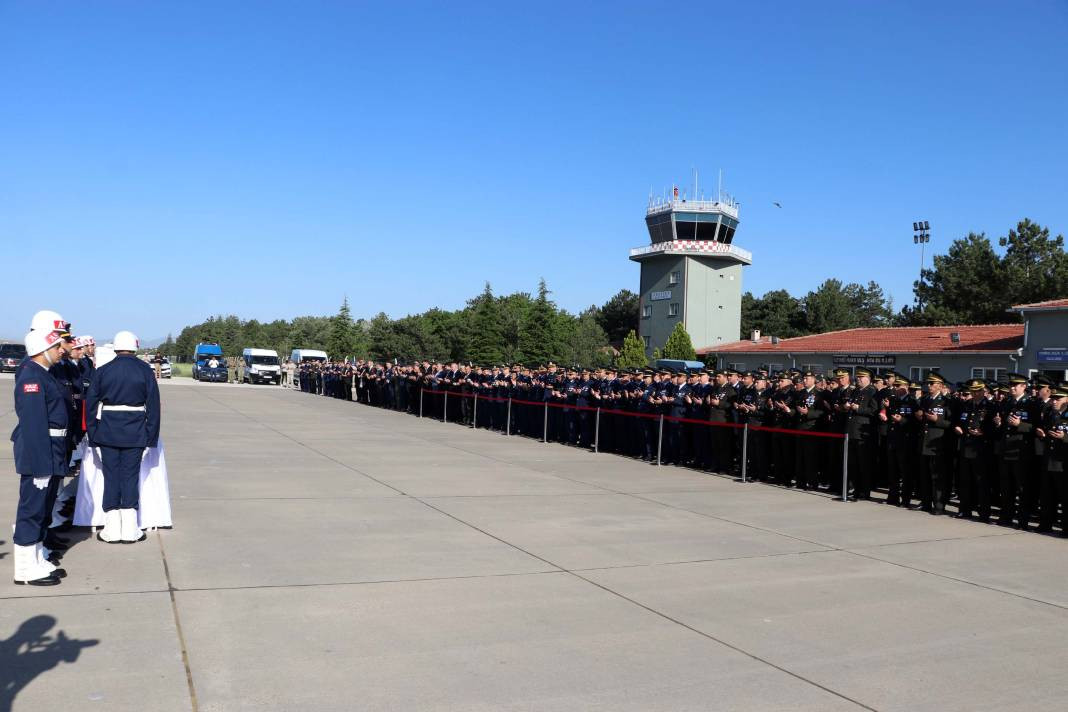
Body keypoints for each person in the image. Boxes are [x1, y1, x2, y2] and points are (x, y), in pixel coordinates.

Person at [85, 331, 161, 544]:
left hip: (108, 432)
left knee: (111, 477)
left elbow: (90, 406)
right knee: (130, 477)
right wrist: (150, 438)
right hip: (136, 432)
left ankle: (111, 529)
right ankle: (130, 529)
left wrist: (94, 435)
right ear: (135, 347)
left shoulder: (103, 371)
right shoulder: (145, 370)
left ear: (116, 347)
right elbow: (154, 407)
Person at [11, 326, 70, 585]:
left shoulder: (45, 374)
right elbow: (34, 426)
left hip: (51, 450)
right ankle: (24, 569)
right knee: (31, 511)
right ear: (43, 350)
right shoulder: (32, 378)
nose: (61, 351)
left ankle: (36, 559)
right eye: (56, 347)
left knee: (43, 510)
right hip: (40, 453)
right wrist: (40, 467)